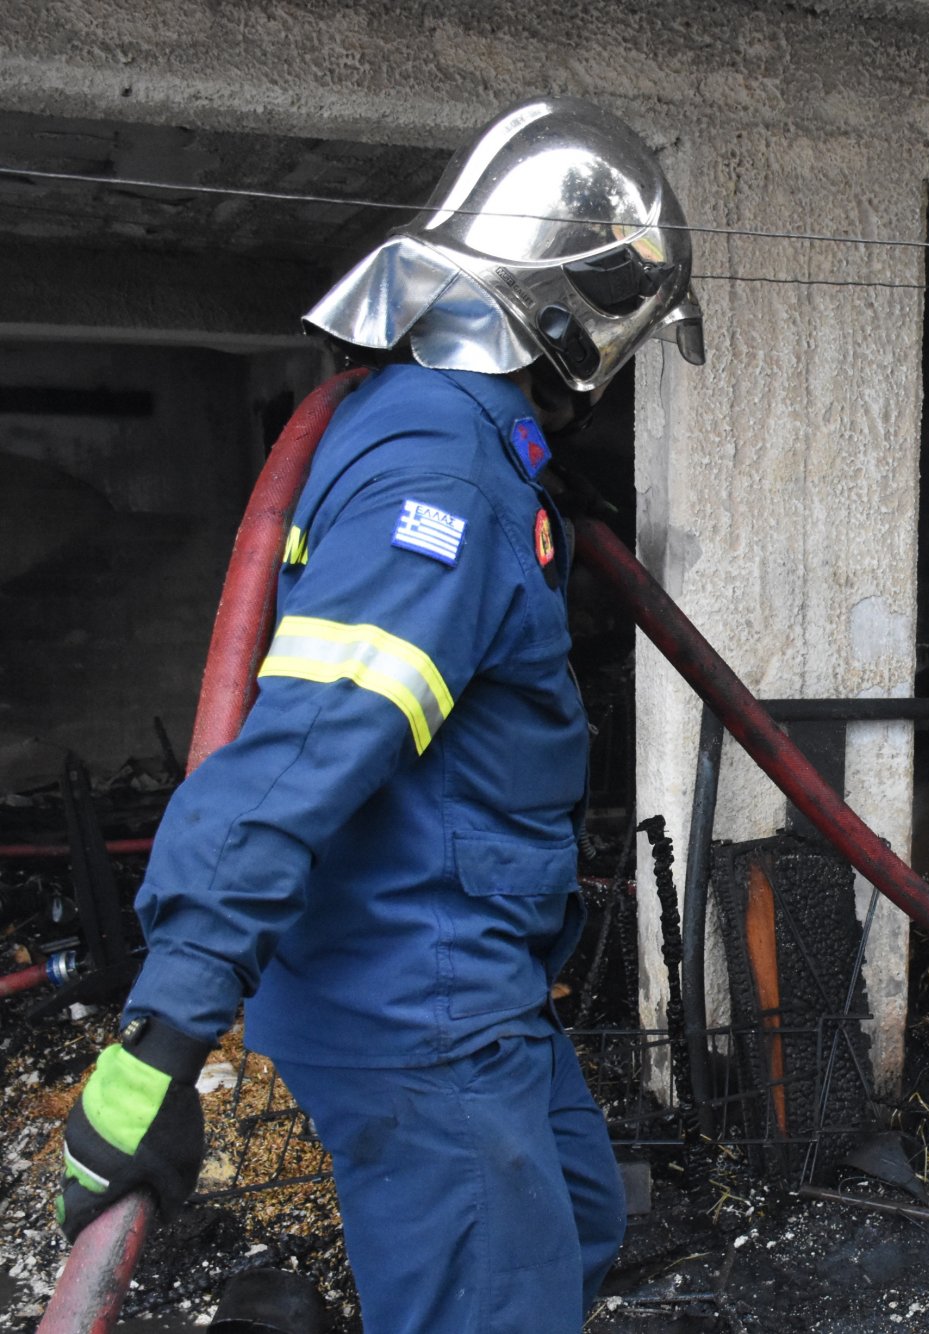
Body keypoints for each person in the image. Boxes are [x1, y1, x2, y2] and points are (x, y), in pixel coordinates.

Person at [57, 97, 706, 1332]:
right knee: (496, 1300)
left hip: (464, 976)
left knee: (576, 1208)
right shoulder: (440, 469)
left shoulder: (457, 442)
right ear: (577, 307)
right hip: (420, 991)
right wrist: (164, 1033)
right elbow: (308, 744)